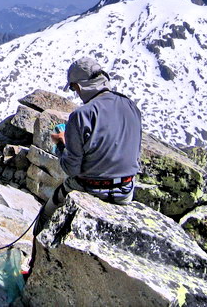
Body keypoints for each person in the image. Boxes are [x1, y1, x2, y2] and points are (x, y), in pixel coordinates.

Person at [33, 56, 142, 235]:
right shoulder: (131, 106)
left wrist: (62, 144)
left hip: (92, 188)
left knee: (45, 216)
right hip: (126, 190)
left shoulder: (82, 115)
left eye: (74, 88)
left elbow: (71, 168)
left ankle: (36, 257)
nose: (76, 93)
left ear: (81, 86)